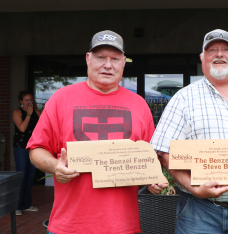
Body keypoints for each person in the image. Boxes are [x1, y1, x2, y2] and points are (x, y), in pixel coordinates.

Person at [27, 30, 156, 234]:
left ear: (123, 62)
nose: (108, 64)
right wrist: (55, 166)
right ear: (88, 59)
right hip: (69, 226)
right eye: (101, 57)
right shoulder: (60, 99)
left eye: (115, 58)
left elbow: (152, 157)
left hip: (123, 226)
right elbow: (36, 148)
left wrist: (155, 178)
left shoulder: (139, 105)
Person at [150, 29, 228, 234]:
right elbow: (165, 152)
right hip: (198, 214)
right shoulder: (184, 98)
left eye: (226, 49)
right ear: (202, 58)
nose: (219, 54)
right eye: (212, 50)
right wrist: (194, 188)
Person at [12, 91, 41, 216]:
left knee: (30, 177)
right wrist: (28, 115)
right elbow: (22, 128)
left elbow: (43, 127)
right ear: (21, 101)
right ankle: (16, 206)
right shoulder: (17, 112)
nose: (29, 102)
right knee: (22, 177)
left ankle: (27, 204)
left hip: (33, 147)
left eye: (31, 100)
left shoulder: (37, 112)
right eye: (26, 100)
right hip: (21, 148)